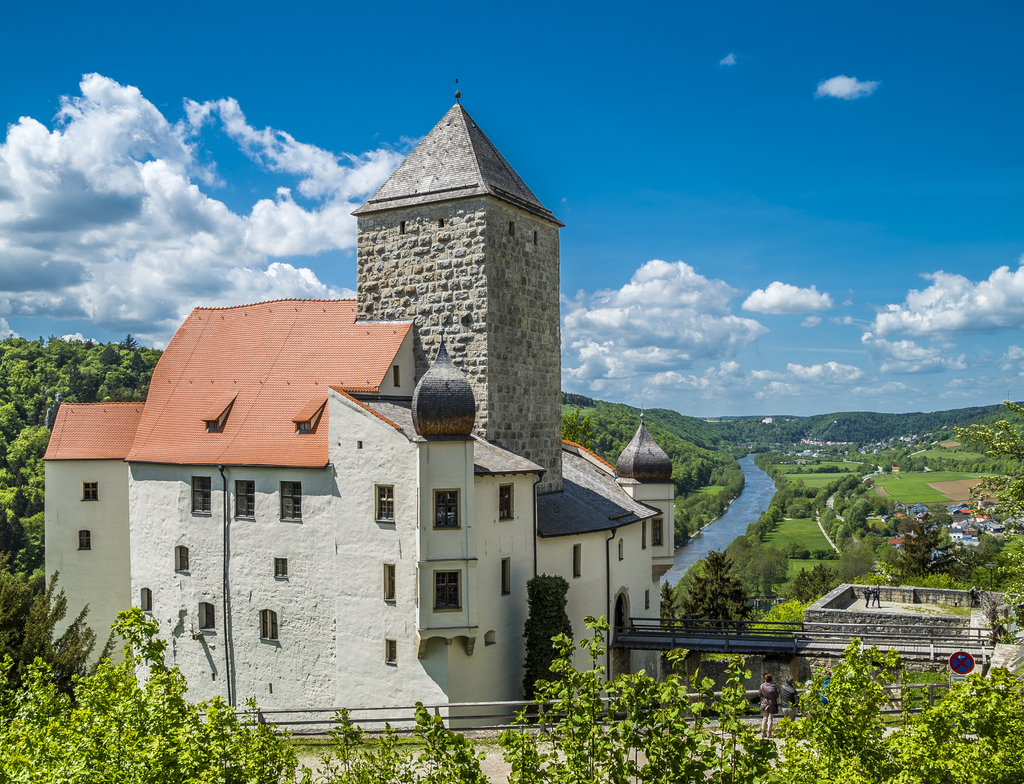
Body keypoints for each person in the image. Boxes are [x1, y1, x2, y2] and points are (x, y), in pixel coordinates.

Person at [759, 672, 779, 739]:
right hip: (772, 704)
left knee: (764, 718)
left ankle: (763, 733)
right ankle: (769, 733)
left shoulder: (762, 686)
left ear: (765, 679)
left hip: (765, 704)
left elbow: (760, 695)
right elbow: (776, 696)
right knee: (770, 719)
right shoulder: (773, 687)